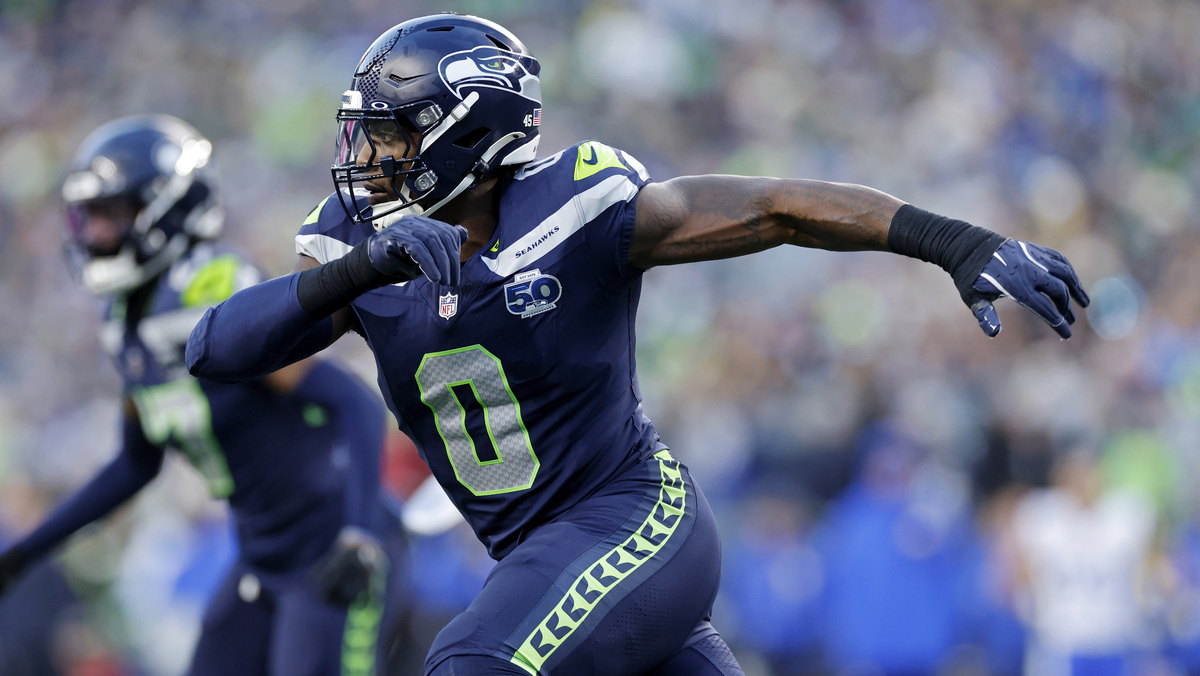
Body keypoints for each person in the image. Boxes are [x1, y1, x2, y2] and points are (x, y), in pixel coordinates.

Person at [185, 13, 1090, 676]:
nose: (368, 156)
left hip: (633, 521)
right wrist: (359, 272)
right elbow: (215, 349)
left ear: (465, 133)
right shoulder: (360, 242)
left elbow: (774, 206)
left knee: (473, 664)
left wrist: (953, 241)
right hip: (543, 560)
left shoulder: (576, 209)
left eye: (392, 134)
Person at [0, 115, 408, 676]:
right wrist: (24, 552)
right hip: (262, 553)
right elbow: (133, 466)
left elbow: (354, 401)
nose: (94, 235)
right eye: (88, 218)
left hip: (334, 541)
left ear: (167, 209)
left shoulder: (214, 290)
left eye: (111, 215)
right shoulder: (130, 321)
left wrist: (360, 535)